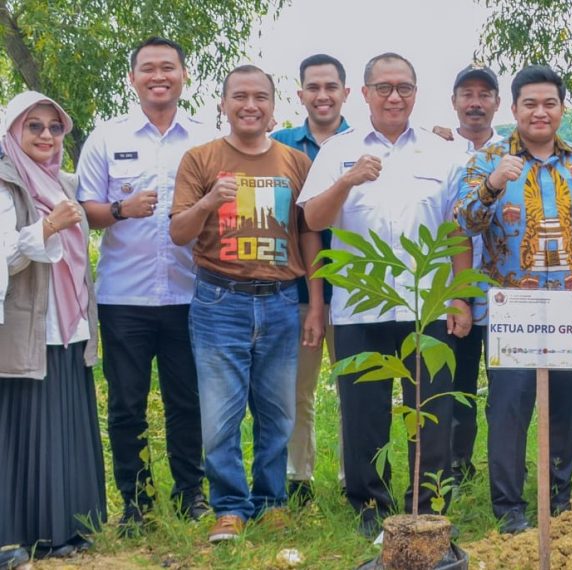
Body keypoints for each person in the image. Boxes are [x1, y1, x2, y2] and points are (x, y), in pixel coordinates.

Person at [298, 52, 470, 538]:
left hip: (427, 306)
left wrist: (460, 298)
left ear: (416, 93)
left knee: (433, 411)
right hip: (361, 305)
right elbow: (313, 219)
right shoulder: (338, 149)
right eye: (385, 87)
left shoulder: (444, 153)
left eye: (405, 88)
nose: (395, 96)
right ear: (366, 93)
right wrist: (347, 180)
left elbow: (459, 229)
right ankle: (369, 505)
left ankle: (428, 505)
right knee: (363, 411)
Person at [456, 65, 572, 534]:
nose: (540, 112)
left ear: (561, 109)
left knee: (566, 407)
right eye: (530, 103)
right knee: (509, 407)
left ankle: (559, 499)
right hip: (511, 311)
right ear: (514, 110)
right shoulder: (489, 160)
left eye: (549, 103)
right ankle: (509, 508)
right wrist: (492, 187)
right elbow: (463, 222)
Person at [169, 65, 322, 543]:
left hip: (279, 302)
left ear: (275, 107)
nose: (250, 105)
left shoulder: (295, 162)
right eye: (240, 96)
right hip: (219, 301)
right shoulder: (201, 158)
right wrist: (211, 199)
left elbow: (309, 232)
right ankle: (230, 507)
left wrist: (315, 303)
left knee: (278, 413)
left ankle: (272, 501)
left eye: (260, 96)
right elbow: (177, 232)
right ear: (223, 103)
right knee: (220, 416)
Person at [76, 37, 213, 531]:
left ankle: (190, 495)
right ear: (132, 78)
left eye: (168, 68)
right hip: (124, 298)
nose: (159, 76)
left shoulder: (206, 137)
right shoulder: (106, 138)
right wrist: (120, 209)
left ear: (183, 75)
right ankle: (135, 502)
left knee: (187, 401)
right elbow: (83, 210)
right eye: (148, 68)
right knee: (127, 403)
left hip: (190, 295)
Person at [0, 91, 105, 558]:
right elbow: (4, 258)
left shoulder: (63, 182)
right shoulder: (7, 185)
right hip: (27, 329)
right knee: (22, 431)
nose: (46, 135)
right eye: (34, 126)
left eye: (54, 127)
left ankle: (64, 530)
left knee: (65, 428)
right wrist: (45, 229)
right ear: (12, 132)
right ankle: (11, 536)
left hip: (69, 325)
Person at [270, 53, 350, 505]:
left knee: (352, 389)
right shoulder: (278, 145)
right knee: (296, 390)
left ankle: (349, 476)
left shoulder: (364, 141)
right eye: (313, 88)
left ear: (345, 92)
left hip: (359, 290)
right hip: (294, 288)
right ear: (300, 94)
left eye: (331, 87)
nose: (322, 95)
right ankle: (297, 477)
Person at [432, 63, 505, 485]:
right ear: (454, 102)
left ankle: (502, 463)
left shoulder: (512, 151)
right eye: (467, 95)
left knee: (503, 383)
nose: (475, 103)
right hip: (450, 287)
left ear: (497, 103)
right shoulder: (435, 150)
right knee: (453, 382)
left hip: (500, 288)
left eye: (484, 95)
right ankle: (454, 465)